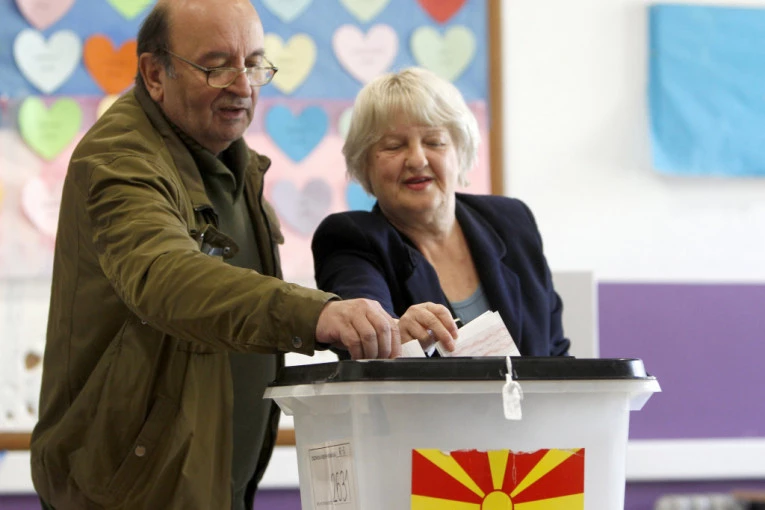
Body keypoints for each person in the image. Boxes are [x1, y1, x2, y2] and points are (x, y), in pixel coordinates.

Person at [30, 1, 401, 509]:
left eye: (254, 63)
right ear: (154, 74)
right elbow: (167, 277)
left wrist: (381, 330)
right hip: (128, 495)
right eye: (217, 65)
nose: (243, 85)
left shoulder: (233, 161)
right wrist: (318, 314)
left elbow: (242, 300)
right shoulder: (118, 158)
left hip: (213, 486)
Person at [312, 67, 570, 357]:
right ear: (365, 164)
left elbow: (555, 353)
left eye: (434, 142)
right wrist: (398, 333)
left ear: (460, 151)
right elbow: (368, 333)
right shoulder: (348, 238)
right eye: (394, 146)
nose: (417, 159)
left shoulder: (513, 220)